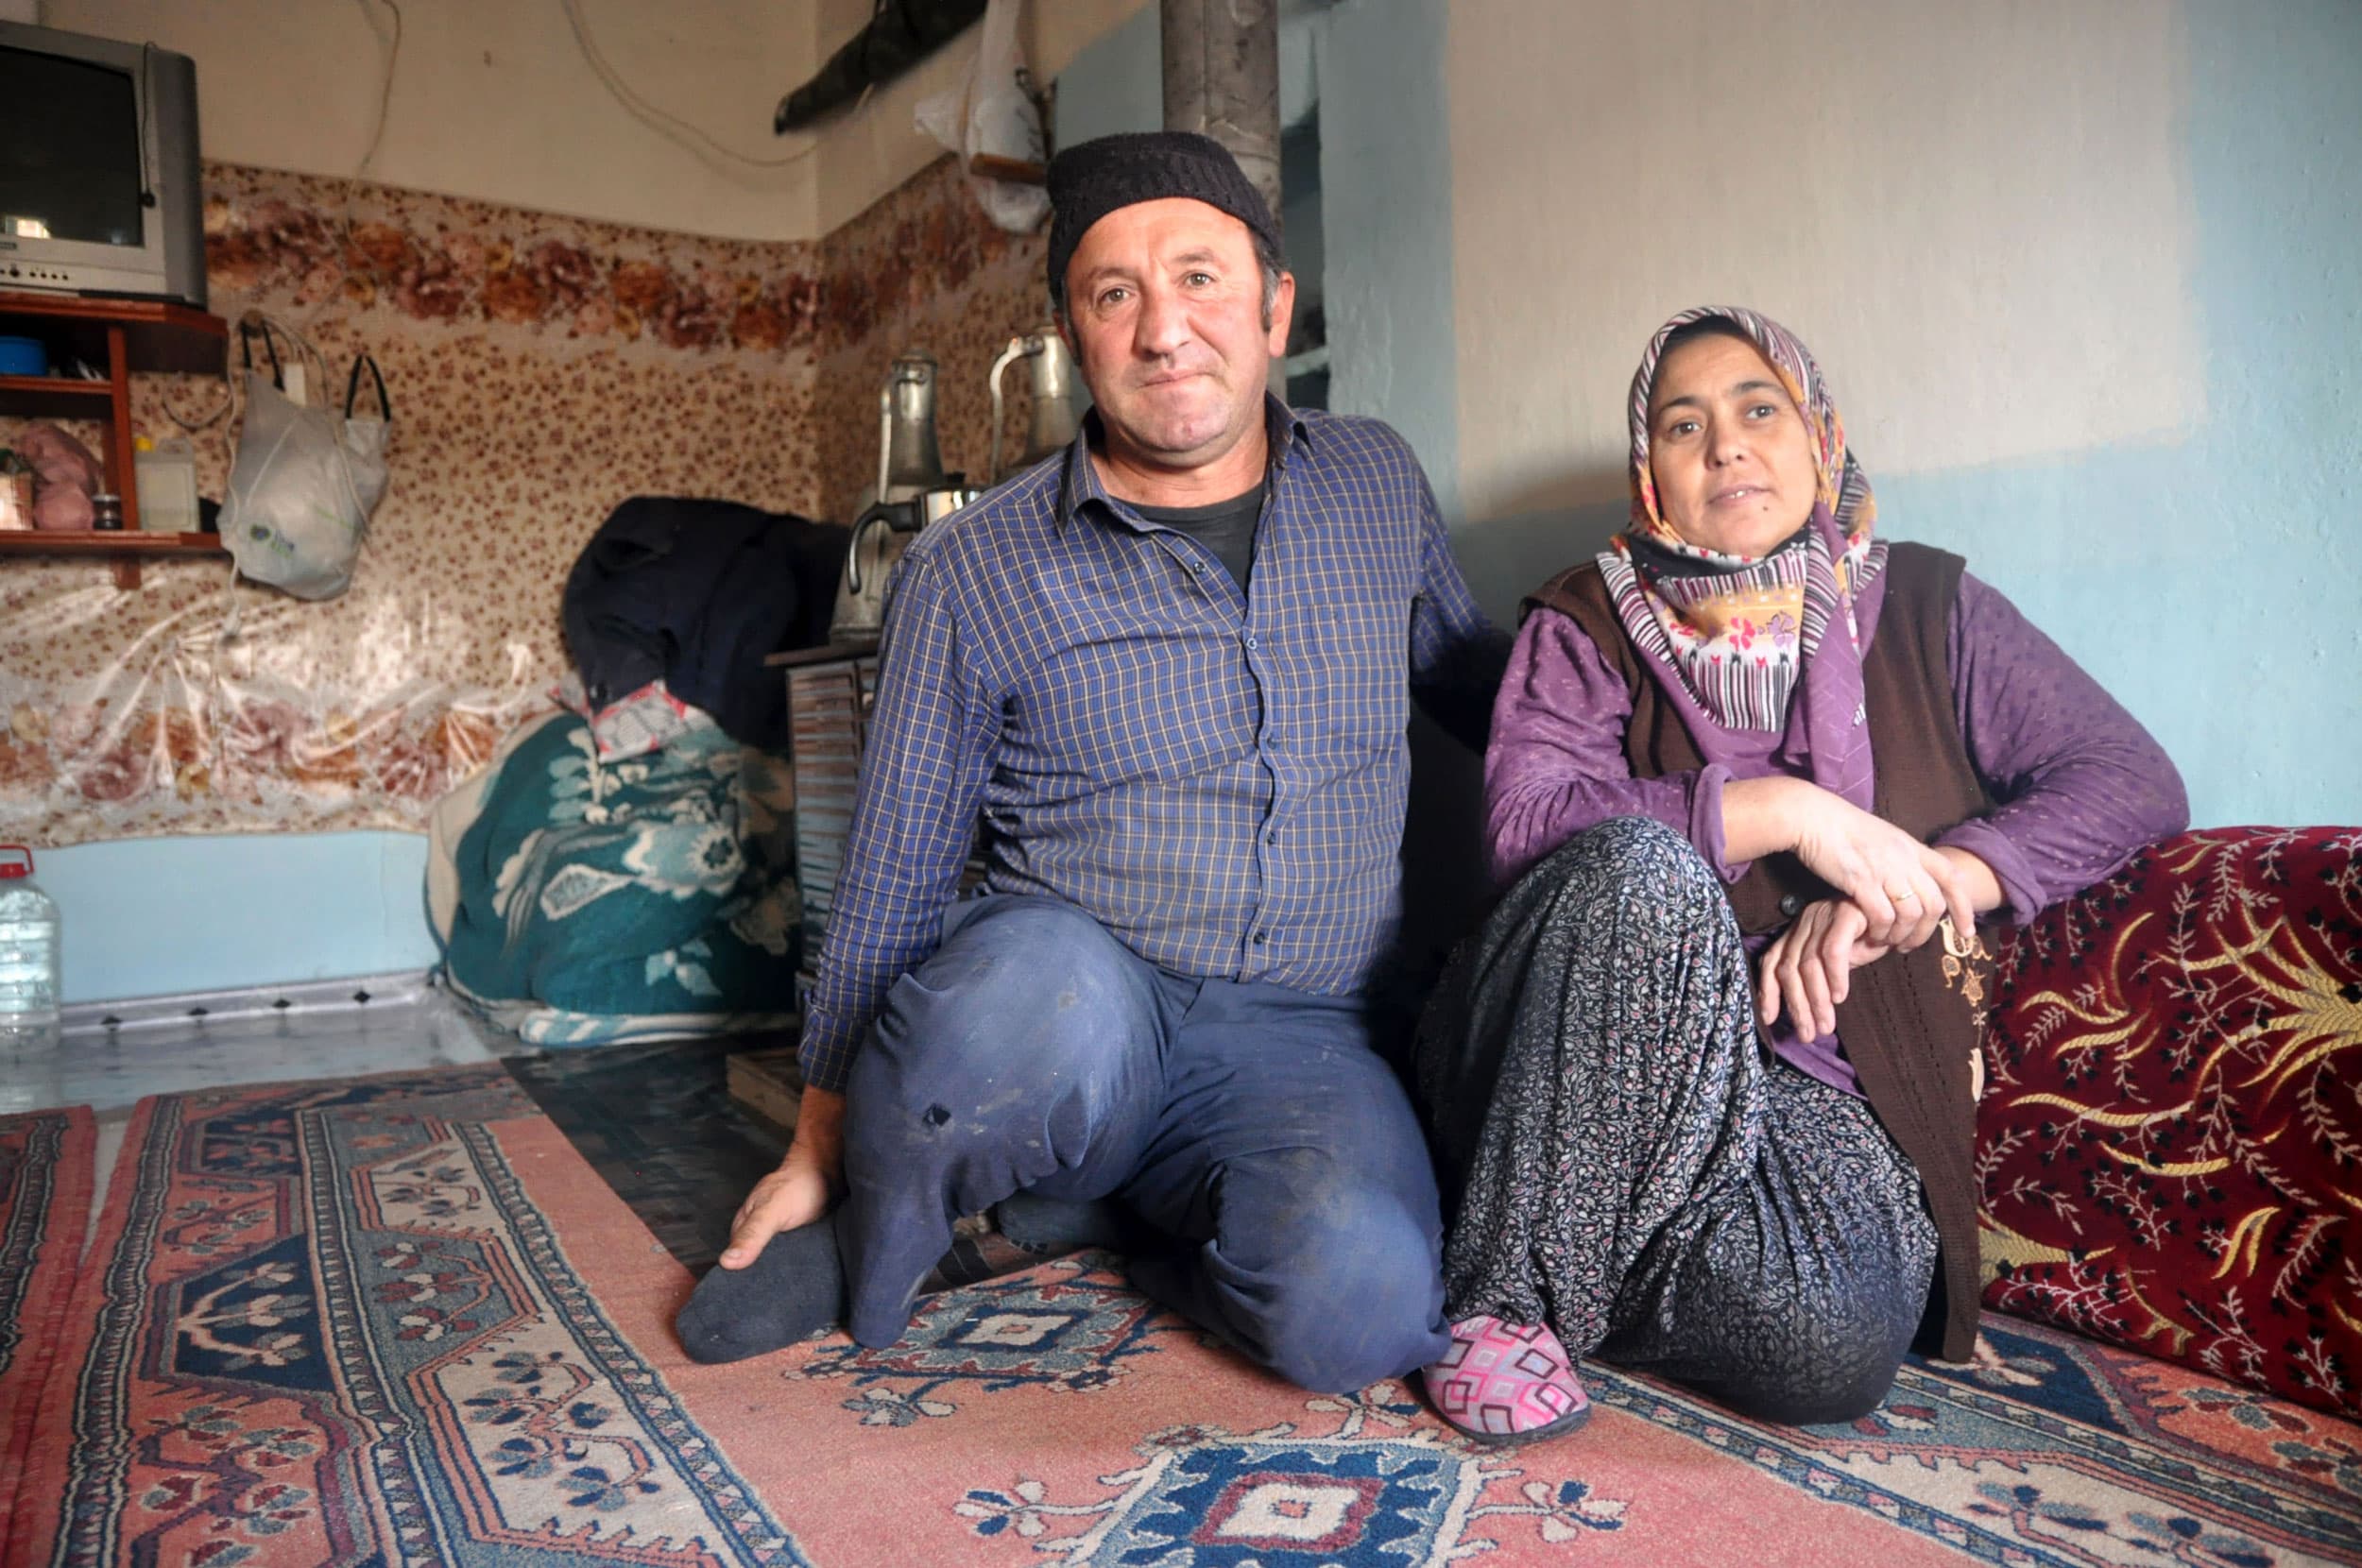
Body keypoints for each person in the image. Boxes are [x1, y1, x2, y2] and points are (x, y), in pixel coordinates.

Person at [676, 131, 1510, 1394]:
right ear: (1074, 336)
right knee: (1020, 1004)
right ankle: (876, 1228)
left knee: (1360, 1316)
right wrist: (816, 1142)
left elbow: (1474, 681)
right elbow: (894, 868)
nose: (1164, 330)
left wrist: (1672, 707)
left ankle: (1119, 1216)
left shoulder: (1375, 484)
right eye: (1115, 295)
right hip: (1078, 1001)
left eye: (1200, 279)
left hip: (1303, 1037)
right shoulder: (972, 568)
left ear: (1275, 307)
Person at [1412, 306, 2188, 1442]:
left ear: (1818, 436)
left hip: (1813, 1070)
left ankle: (1532, 1229)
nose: (1726, 445)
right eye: (1684, 425)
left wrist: (1921, 881)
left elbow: (2130, 777)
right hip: (1579, 1050)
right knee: (1643, 869)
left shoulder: (1927, 608)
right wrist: (1783, 809)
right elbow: (1522, 827)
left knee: (1833, 1348)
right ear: (1651, 473)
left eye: (1757, 409)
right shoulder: (1585, 617)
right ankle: (1504, 1299)